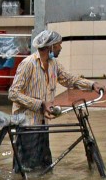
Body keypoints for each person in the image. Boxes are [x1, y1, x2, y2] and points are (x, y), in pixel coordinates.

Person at [8, 29, 100, 172]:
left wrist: (92, 85)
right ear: (49, 46)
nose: (60, 48)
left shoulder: (53, 64)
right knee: (27, 168)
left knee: (44, 166)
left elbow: (69, 79)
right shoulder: (28, 64)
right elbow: (13, 93)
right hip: (27, 123)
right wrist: (40, 104)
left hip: (43, 122)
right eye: (58, 45)